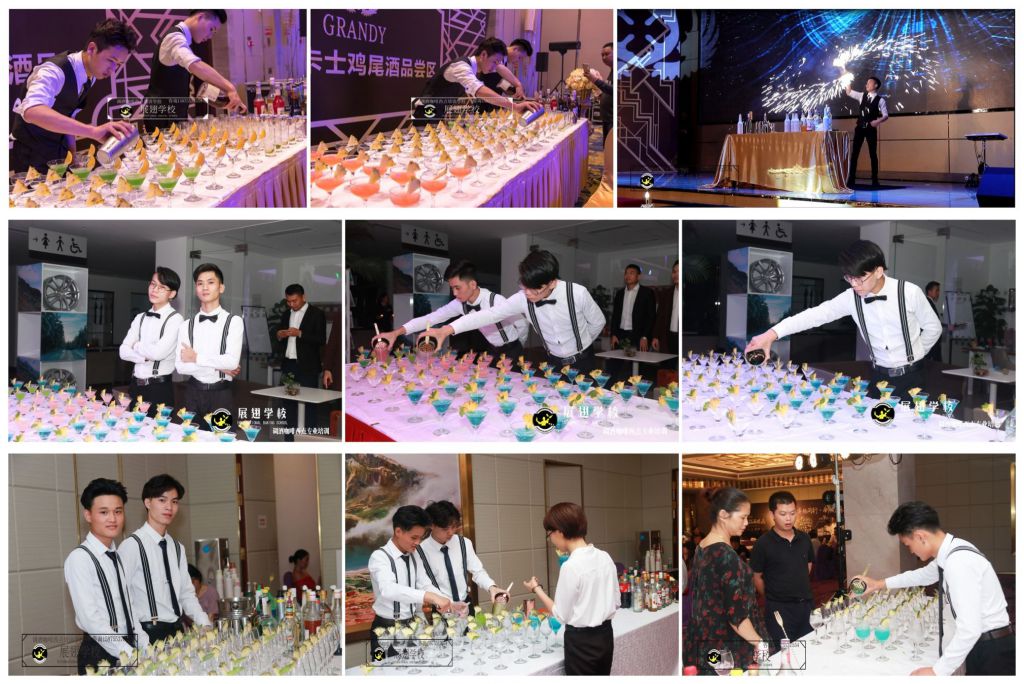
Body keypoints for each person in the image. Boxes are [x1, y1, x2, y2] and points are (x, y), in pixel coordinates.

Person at [745, 240, 941, 399]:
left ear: (879, 271)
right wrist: (771, 334)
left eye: (860, 279)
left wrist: (914, 355)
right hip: (878, 378)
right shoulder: (851, 298)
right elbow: (814, 315)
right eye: (849, 278)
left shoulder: (909, 292)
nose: (854, 284)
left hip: (912, 378)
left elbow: (933, 328)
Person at [851, 501, 1014, 676]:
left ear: (921, 537)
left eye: (908, 545)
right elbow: (922, 575)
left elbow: (969, 629)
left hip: (992, 651)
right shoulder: (952, 552)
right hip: (984, 645)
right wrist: (878, 584)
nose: (911, 551)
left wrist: (937, 671)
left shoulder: (959, 562)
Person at [418, 250, 606, 374]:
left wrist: (580, 344)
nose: (528, 294)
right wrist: (447, 330)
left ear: (552, 283)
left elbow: (598, 322)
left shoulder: (577, 293)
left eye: (535, 289)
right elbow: (489, 315)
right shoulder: (522, 297)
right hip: (552, 362)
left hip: (583, 361)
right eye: (525, 287)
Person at [11, 19, 137, 173]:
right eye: (111, 60)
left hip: (60, 155)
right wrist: (93, 131)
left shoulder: (91, 74)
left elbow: (69, 115)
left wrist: (73, 159)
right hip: (31, 157)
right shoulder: (54, 71)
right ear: (92, 48)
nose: (113, 70)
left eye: (118, 64)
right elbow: (32, 111)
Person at [64, 478, 148, 674]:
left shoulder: (116, 556)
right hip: (99, 651)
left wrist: (145, 645)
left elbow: (129, 609)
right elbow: (90, 619)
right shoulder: (80, 558)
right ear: (88, 515)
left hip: (128, 647)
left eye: (118, 511)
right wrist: (130, 654)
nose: (113, 519)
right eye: (104, 512)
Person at [523, 502, 618, 675]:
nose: (550, 539)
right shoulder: (605, 557)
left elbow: (561, 615)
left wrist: (536, 588)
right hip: (605, 637)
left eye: (549, 534)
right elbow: (616, 602)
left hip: (582, 643)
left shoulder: (571, 566)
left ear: (560, 531)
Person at [683, 488, 769, 674]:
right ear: (723, 515)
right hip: (729, 644)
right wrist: (759, 642)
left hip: (706, 640)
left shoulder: (702, 546)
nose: (746, 523)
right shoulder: (725, 555)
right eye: (743, 517)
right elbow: (736, 615)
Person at [376, 260, 528, 362]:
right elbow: (431, 318)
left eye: (457, 288)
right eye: (452, 288)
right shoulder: (459, 303)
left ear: (472, 284)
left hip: (512, 349)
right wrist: (396, 333)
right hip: (491, 348)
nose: (454, 293)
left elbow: (522, 323)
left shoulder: (496, 300)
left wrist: (518, 345)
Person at [119, 475, 212, 641]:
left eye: (174, 502)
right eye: (162, 500)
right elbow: (121, 598)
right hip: (146, 632)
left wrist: (204, 623)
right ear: (148, 503)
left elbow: (186, 593)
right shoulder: (132, 545)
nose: (169, 507)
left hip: (177, 630)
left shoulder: (177, 548)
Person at [368, 506, 452, 658]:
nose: (418, 543)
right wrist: (429, 597)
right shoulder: (379, 557)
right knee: (383, 669)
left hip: (413, 626)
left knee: (416, 668)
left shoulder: (414, 555)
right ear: (398, 531)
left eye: (421, 538)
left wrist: (447, 602)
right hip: (385, 630)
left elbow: (424, 583)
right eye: (414, 538)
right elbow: (388, 589)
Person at [142, 10, 246, 133]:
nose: (210, 36)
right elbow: (195, 65)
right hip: (161, 118)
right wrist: (230, 88)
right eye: (211, 29)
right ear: (201, 17)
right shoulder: (174, 38)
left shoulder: (184, 40)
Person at [175, 263, 244, 429]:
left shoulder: (234, 322)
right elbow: (180, 367)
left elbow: (231, 362)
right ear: (196, 289)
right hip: (192, 393)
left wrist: (195, 357)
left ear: (221, 288)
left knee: (223, 439)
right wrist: (219, 366)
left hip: (221, 395)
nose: (205, 287)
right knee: (190, 438)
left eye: (211, 282)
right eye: (200, 283)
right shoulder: (186, 325)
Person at [414, 37, 541, 120]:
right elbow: (479, 90)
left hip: (439, 112)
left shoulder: (475, 67)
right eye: (494, 62)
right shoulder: (462, 67)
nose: (495, 67)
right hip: (427, 112)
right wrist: (514, 106)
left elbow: (500, 69)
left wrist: (518, 84)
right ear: (484, 55)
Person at [416, 500, 508, 613]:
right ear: (432, 526)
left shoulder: (464, 543)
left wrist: (492, 587)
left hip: (466, 605)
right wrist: (448, 603)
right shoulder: (420, 551)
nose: (451, 532)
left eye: (454, 527)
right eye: (445, 529)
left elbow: (478, 572)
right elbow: (425, 585)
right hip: (441, 609)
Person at [750, 491, 815, 648]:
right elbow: (756, 576)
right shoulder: (763, 543)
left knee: (809, 649)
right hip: (779, 610)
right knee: (785, 653)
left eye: (792, 513)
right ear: (772, 514)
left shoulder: (804, 538)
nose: (788, 518)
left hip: (805, 605)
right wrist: (772, 596)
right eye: (783, 514)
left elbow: (808, 565)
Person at [119, 268, 183, 417]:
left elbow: (158, 353)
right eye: (153, 284)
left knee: (158, 430)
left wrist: (136, 345)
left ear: (172, 294)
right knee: (133, 428)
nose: (155, 290)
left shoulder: (175, 319)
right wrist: (144, 357)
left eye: (162, 287)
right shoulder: (140, 317)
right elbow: (123, 351)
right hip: (135, 387)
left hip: (158, 389)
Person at [274, 284, 327, 440]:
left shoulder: (316, 314)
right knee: (288, 404)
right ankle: (289, 441)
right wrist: (279, 334)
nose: (291, 304)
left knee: (309, 404)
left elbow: (321, 339)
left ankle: (308, 441)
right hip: (289, 365)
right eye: (288, 301)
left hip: (308, 367)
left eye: (294, 301)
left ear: (303, 297)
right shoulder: (286, 314)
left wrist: (300, 333)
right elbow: (279, 335)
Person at [609, 263, 656, 382]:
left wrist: (645, 336)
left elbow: (651, 317)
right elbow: (615, 316)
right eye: (626, 273)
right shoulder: (620, 293)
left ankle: (637, 391)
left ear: (638, 276)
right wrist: (613, 333)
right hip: (621, 335)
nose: (628, 276)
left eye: (631, 273)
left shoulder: (647, 293)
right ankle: (611, 388)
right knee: (614, 365)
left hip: (638, 335)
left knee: (637, 369)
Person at [845, 75, 888, 188]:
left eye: (869, 83)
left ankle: (875, 179)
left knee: (873, 154)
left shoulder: (880, 100)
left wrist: (877, 122)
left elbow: (885, 115)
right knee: (855, 153)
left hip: (870, 129)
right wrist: (846, 78)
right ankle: (851, 179)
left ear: (875, 85)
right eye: (867, 83)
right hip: (860, 128)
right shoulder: (861, 96)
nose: (867, 84)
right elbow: (849, 92)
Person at [585, 42, 615, 142]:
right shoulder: (612, 70)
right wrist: (601, 95)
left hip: (613, 119)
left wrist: (595, 80)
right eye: (602, 55)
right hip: (607, 118)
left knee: (610, 147)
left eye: (607, 54)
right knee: (606, 147)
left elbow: (615, 91)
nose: (603, 57)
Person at [652, 260, 679, 358]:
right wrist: (655, 336)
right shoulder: (666, 293)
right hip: (668, 337)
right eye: (674, 271)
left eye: (679, 271)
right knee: (668, 365)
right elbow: (660, 316)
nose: (676, 274)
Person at [924, 281, 943, 362]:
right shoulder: (928, 303)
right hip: (932, 343)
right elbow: (930, 324)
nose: (938, 293)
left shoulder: (929, 302)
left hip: (933, 343)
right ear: (929, 291)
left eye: (939, 290)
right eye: (936, 290)